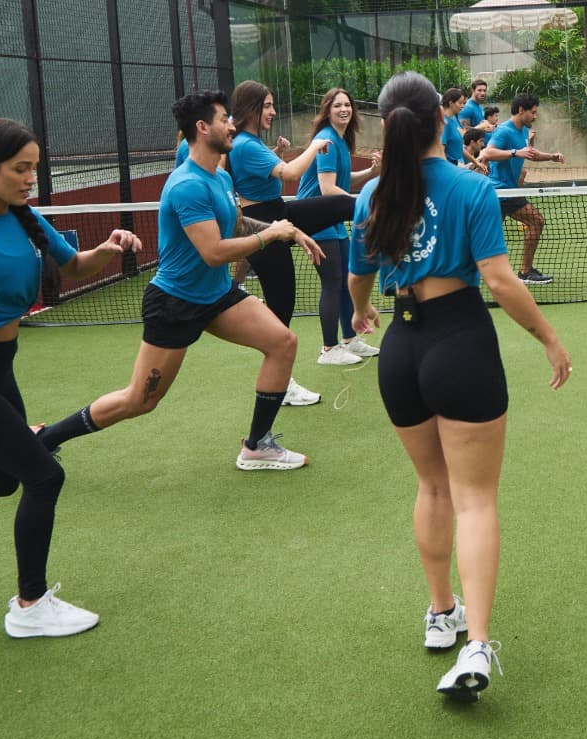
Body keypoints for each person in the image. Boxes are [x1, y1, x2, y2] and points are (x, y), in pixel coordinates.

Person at [347, 73, 571, 701]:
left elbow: (359, 278)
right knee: (475, 500)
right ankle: (476, 642)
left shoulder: (371, 196)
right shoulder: (472, 188)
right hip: (460, 342)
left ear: (386, 126)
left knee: (432, 487)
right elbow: (498, 279)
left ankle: (440, 612)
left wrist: (362, 312)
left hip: (401, 349)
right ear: (441, 121)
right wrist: (549, 338)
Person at [37, 91, 323, 474]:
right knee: (140, 400)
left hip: (217, 294)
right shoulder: (187, 185)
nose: (232, 126)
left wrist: (285, 229)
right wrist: (270, 236)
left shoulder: (221, 177)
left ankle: (257, 447)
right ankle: (44, 440)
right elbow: (214, 252)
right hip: (175, 303)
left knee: (282, 343)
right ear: (202, 127)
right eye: (224, 119)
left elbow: (236, 224)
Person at [0, 118, 143, 638]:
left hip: (3, 367)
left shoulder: (24, 218)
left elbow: (75, 265)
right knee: (44, 476)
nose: (30, 179)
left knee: (4, 479)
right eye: (20, 169)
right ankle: (29, 606)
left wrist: (109, 248)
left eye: (34, 168)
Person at [227, 80, 357, 405]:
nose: (273, 111)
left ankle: (393, 220)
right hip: (263, 225)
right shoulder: (244, 144)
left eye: (272, 105)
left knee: (342, 205)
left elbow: (265, 172)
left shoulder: (250, 143)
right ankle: (280, 385)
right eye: (267, 106)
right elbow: (291, 174)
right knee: (281, 311)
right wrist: (315, 146)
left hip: (279, 212)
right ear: (251, 109)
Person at [295, 87, 383, 368]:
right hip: (316, 218)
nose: (344, 109)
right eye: (337, 106)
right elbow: (327, 188)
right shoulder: (327, 141)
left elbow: (341, 181)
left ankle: (350, 339)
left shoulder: (340, 141)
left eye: (347, 105)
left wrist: (371, 172)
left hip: (332, 219)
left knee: (346, 281)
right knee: (332, 282)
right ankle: (328, 348)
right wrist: (362, 205)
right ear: (327, 111)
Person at [480, 92, 564, 285]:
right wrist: (515, 152)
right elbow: (488, 152)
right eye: (532, 112)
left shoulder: (523, 131)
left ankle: (524, 272)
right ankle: (525, 272)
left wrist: (551, 157)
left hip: (509, 191)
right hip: (500, 192)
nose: (535, 116)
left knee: (488, 236)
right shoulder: (504, 131)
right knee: (536, 221)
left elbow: (530, 154)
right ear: (520, 110)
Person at [440, 88, 468, 166]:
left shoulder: (453, 119)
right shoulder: (444, 122)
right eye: (460, 103)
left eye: (463, 103)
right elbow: (441, 152)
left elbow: (458, 147)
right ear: (451, 103)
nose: (462, 106)